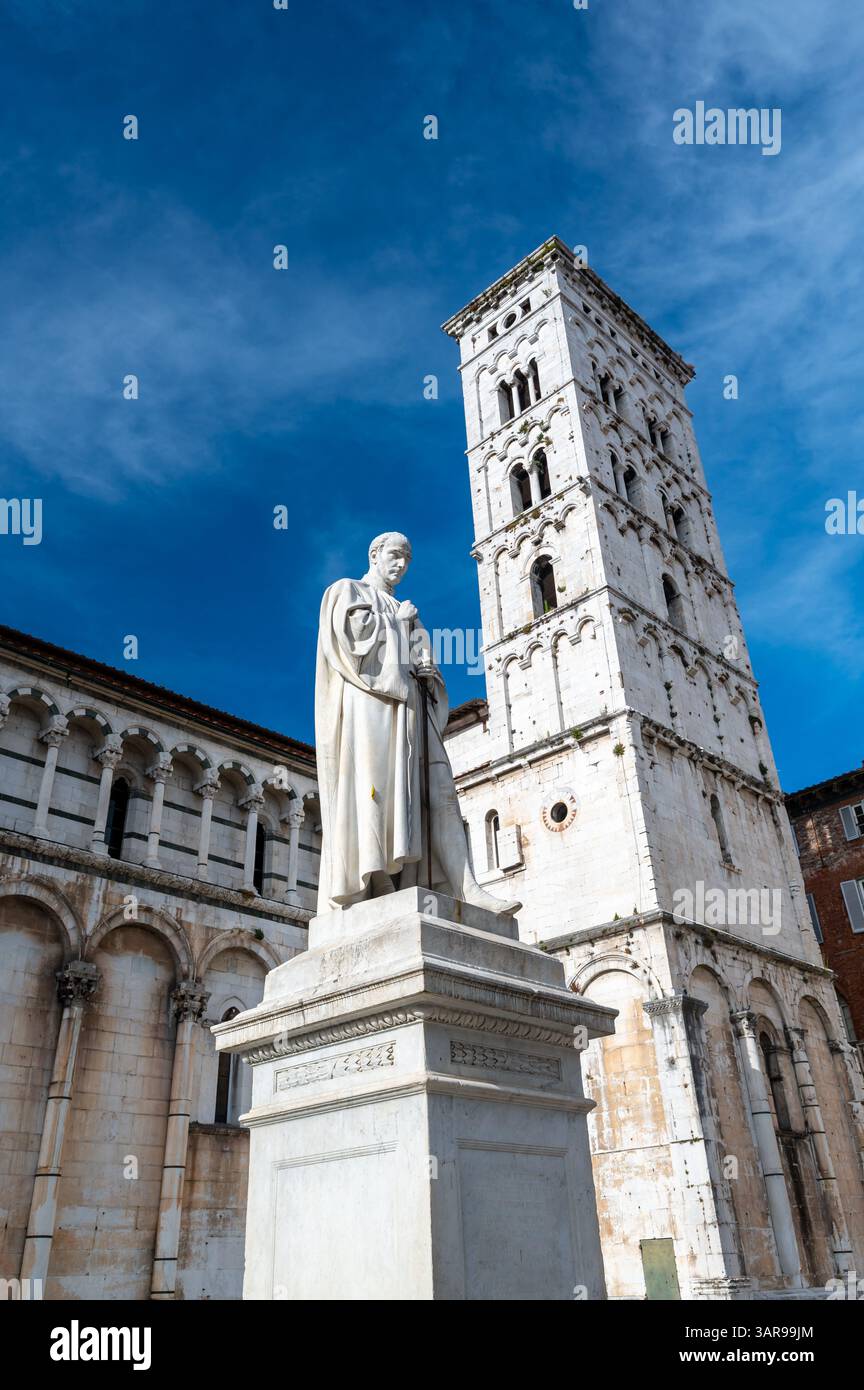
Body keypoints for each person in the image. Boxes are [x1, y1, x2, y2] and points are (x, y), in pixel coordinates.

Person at [315, 531, 520, 915]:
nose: (401, 566)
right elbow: (350, 648)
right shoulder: (347, 591)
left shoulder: (406, 609)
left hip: (413, 712)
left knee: (442, 792)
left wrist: (429, 670)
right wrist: (396, 622)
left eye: (407, 560)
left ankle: (467, 887)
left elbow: (424, 667)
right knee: (375, 793)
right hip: (372, 712)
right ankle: (376, 881)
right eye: (395, 556)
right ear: (374, 554)